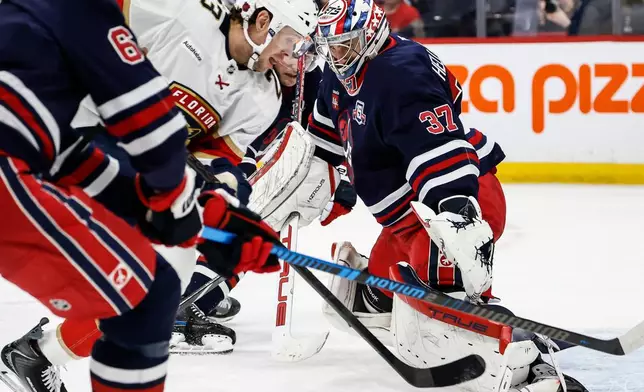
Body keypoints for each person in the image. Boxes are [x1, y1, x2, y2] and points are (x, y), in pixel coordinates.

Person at [0, 1, 282, 391]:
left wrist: (216, 205)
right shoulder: (180, 13)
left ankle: (41, 353)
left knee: (162, 275)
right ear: (262, 19)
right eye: (288, 42)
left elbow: (213, 159)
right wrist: (192, 200)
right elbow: (141, 112)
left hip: (77, 149)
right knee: (145, 295)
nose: (291, 57)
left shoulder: (263, 94)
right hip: (60, 136)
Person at [308, 0, 589, 390]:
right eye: (330, 46)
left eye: (344, 44)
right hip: (402, 221)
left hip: (449, 204)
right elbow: (323, 142)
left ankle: (532, 361)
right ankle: (393, 297)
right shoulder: (338, 74)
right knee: (379, 293)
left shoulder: (400, 72)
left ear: (371, 35)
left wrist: (456, 211)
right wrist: (312, 184)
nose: (336, 56)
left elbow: (438, 150)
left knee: (448, 301)